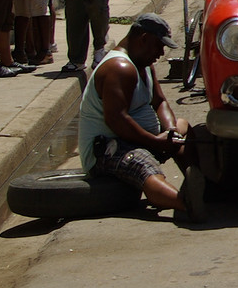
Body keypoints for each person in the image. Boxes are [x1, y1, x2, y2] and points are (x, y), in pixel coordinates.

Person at [77, 13, 204, 223]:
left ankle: (197, 181)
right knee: (142, 165)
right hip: (109, 148)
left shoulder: (143, 64)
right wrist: (155, 141)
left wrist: (170, 130)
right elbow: (117, 120)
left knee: (182, 126)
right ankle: (184, 202)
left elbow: (160, 101)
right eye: (158, 46)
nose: (160, 53)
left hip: (142, 138)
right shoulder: (119, 68)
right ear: (143, 39)